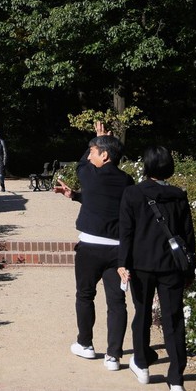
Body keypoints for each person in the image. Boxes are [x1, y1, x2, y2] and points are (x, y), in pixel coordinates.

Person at [53, 121, 133, 372]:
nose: (89, 155)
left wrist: (96, 137)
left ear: (105, 155)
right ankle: (113, 356)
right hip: (118, 250)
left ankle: (85, 344)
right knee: (117, 302)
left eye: (93, 151)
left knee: (85, 295)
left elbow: (80, 165)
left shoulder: (90, 173)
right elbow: (105, 200)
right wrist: (75, 195)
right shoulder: (127, 181)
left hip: (90, 247)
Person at [117, 146, 196, 391]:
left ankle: (141, 365)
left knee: (142, 314)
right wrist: (189, 269)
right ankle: (177, 381)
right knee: (173, 321)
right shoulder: (178, 195)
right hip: (172, 267)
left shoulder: (132, 193)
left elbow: (126, 233)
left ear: (146, 166)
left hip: (141, 265)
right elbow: (188, 236)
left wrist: (122, 264)